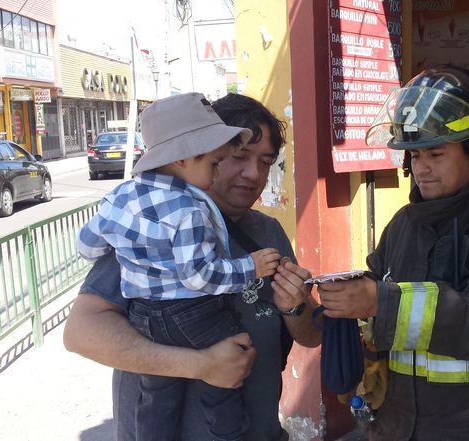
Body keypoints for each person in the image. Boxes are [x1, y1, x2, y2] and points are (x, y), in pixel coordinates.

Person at [318, 65, 469, 440]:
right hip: (398, 425)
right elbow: (376, 287)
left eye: (436, 153)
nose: (422, 169)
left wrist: (380, 303)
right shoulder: (403, 224)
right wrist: (342, 299)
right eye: (414, 157)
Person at [64, 93, 321, 441]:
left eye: (265, 162)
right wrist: (202, 366)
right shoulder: (151, 227)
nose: (253, 174)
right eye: (238, 157)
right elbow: (81, 335)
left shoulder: (268, 232)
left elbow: (310, 334)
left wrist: (295, 306)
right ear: (196, 155)